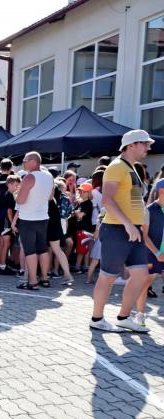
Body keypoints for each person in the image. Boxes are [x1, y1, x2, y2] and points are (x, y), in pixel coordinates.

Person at [91, 130, 156, 333]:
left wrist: (137, 224)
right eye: (144, 144)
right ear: (131, 145)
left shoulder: (131, 168)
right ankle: (97, 319)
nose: (148, 148)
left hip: (133, 230)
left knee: (141, 275)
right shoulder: (117, 167)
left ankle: (123, 317)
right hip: (117, 229)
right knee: (108, 276)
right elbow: (107, 200)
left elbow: (134, 201)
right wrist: (128, 224)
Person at [15, 152, 53, 290]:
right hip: (43, 217)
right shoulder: (49, 176)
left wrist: (16, 193)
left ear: (34, 162)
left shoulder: (29, 177)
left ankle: (33, 282)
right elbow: (50, 197)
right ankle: (45, 279)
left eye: (25, 160)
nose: (23, 163)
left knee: (30, 250)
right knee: (42, 249)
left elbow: (20, 200)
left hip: (28, 218)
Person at [134, 179, 164, 326]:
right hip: (152, 254)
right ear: (162, 191)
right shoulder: (149, 210)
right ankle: (139, 316)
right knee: (145, 284)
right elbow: (144, 236)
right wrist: (157, 253)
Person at [47, 185, 75, 286]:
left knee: (46, 251)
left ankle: (44, 276)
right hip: (56, 226)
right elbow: (69, 213)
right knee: (57, 250)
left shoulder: (48, 200)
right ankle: (67, 275)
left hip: (48, 225)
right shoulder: (58, 199)